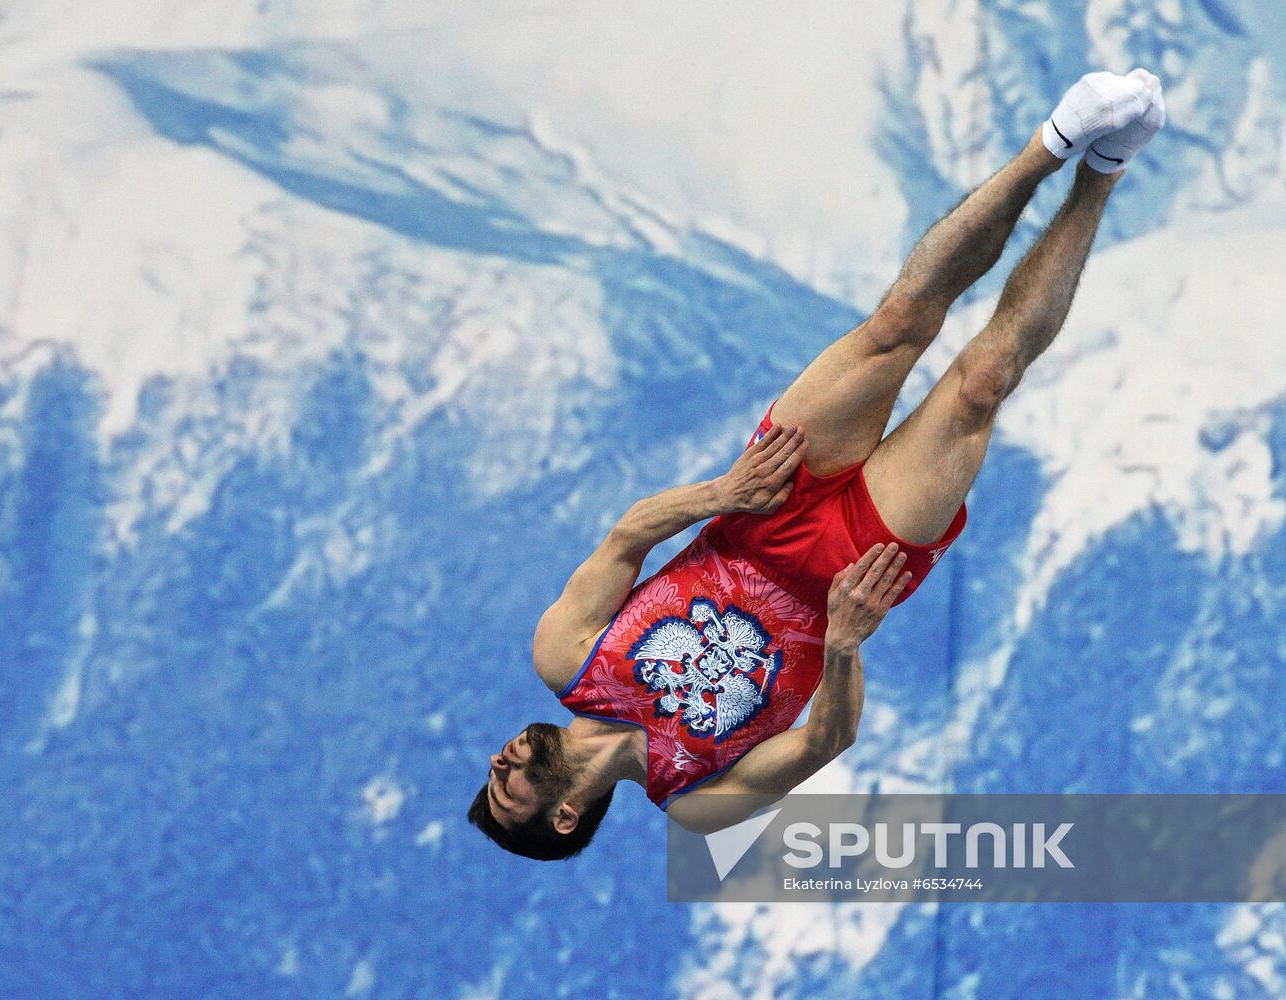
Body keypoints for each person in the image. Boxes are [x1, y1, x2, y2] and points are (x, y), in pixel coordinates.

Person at [469, 70, 1165, 859]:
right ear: (564, 817)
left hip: (759, 509)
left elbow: (627, 537)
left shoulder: (563, 657)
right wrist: (842, 643)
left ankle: (1055, 144)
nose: (500, 761)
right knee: (981, 385)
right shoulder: (694, 802)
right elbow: (820, 743)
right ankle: (1104, 172)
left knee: (897, 323)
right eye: (504, 788)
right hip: (844, 582)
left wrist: (720, 492)